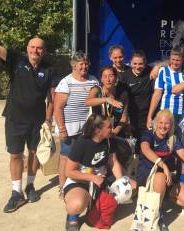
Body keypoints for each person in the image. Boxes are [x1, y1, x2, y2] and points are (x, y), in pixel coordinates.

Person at [0, 37, 54, 213]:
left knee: (34, 153)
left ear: (44, 51)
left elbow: (52, 98)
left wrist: (48, 120)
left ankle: (30, 186)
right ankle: (16, 192)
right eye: (32, 47)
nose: (35, 51)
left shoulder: (49, 69)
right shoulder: (16, 60)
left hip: (38, 121)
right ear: (27, 48)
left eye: (39, 48)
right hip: (15, 119)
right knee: (16, 155)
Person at [63, 114, 136, 231]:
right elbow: (69, 172)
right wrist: (93, 178)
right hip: (81, 180)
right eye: (109, 127)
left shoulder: (108, 140)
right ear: (98, 130)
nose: (112, 129)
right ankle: (73, 216)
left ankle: (93, 205)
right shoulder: (82, 143)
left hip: (102, 178)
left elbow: (113, 162)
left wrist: (121, 181)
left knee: (131, 187)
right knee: (76, 205)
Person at [136, 109, 184, 230]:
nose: (163, 126)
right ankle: (156, 214)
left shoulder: (172, 139)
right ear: (156, 123)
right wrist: (163, 165)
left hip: (165, 179)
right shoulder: (148, 134)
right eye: (161, 122)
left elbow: (181, 152)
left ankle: (160, 200)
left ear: (171, 125)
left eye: (167, 123)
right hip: (147, 177)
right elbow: (145, 149)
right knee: (160, 176)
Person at [54, 52, 100, 194]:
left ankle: (80, 185)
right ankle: (62, 187)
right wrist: (62, 129)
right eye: (81, 64)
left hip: (86, 129)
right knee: (66, 157)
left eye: (86, 63)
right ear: (74, 66)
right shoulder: (65, 82)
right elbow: (58, 108)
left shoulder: (94, 80)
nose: (84, 66)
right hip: (69, 128)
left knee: (81, 158)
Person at [147, 46, 184, 128]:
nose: (175, 62)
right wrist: (149, 116)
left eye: (178, 60)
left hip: (183, 115)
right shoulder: (163, 71)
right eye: (173, 59)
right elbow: (157, 95)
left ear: (183, 60)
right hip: (165, 113)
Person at [117, 50, 153, 146]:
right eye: (135, 63)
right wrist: (126, 121)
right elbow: (121, 100)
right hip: (132, 118)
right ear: (130, 62)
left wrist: (158, 67)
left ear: (145, 63)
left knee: (147, 144)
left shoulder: (150, 71)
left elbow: (166, 63)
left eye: (140, 64)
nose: (137, 67)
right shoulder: (124, 77)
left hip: (148, 117)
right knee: (133, 148)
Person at [85, 66, 129, 137]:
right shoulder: (96, 90)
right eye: (105, 76)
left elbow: (124, 117)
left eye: (111, 76)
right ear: (101, 79)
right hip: (97, 132)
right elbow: (87, 102)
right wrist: (107, 99)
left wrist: (116, 130)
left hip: (115, 132)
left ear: (116, 78)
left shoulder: (123, 95)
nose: (108, 79)